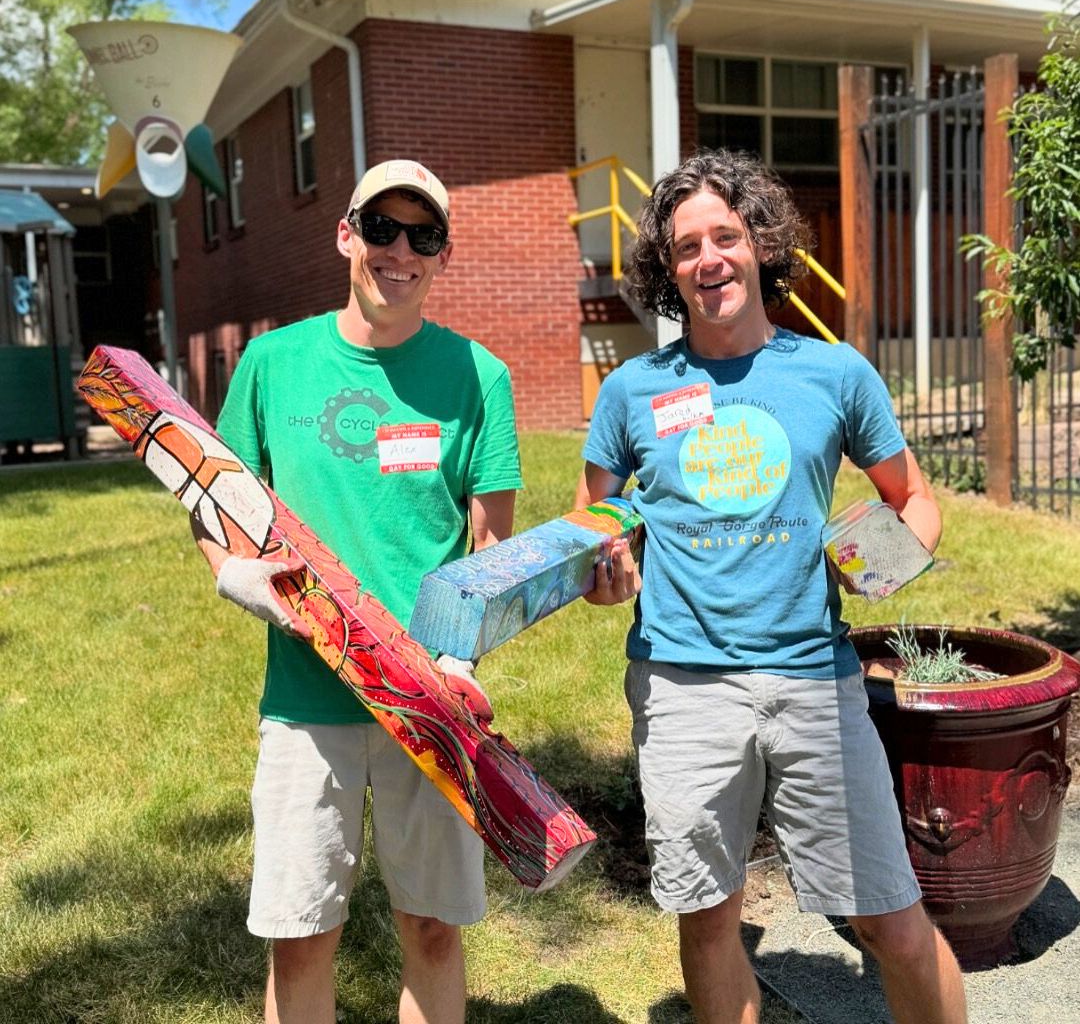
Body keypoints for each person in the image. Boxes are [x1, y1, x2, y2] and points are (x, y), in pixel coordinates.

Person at [578, 149, 966, 1024]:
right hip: (682, 685)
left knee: (889, 920)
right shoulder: (633, 389)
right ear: (667, 269)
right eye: (686, 247)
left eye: (725, 235)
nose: (708, 259)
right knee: (708, 920)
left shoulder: (834, 374)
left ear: (759, 244)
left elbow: (914, 499)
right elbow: (594, 535)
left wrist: (889, 564)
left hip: (813, 679)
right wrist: (606, 580)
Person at [192, 159, 522, 1024]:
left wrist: (458, 654)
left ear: (442, 255)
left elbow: (491, 544)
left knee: (433, 930)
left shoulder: (479, 377)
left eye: (424, 235)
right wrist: (237, 578)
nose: (400, 251)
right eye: (382, 229)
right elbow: (215, 501)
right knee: (300, 935)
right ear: (346, 236)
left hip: (429, 701)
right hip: (306, 701)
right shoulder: (272, 363)